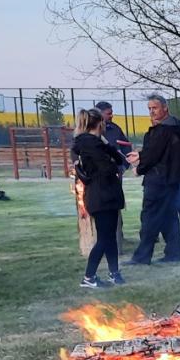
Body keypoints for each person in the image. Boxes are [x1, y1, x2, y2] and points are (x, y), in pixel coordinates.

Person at [75, 108, 138, 287]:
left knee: (110, 237)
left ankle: (114, 273)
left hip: (107, 194)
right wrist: (112, 161)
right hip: (101, 195)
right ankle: (89, 277)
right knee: (104, 238)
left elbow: (118, 160)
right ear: (100, 123)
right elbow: (108, 168)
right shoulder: (90, 145)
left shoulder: (97, 143)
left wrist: (109, 150)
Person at [128, 94, 180, 265]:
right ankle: (173, 254)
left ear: (165, 108)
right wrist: (141, 155)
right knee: (169, 218)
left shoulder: (162, 130)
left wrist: (139, 168)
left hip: (158, 180)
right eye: (149, 109)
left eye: (155, 108)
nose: (151, 112)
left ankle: (142, 257)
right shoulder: (175, 127)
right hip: (172, 180)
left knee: (149, 219)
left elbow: (154, 155)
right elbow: (160, 151)